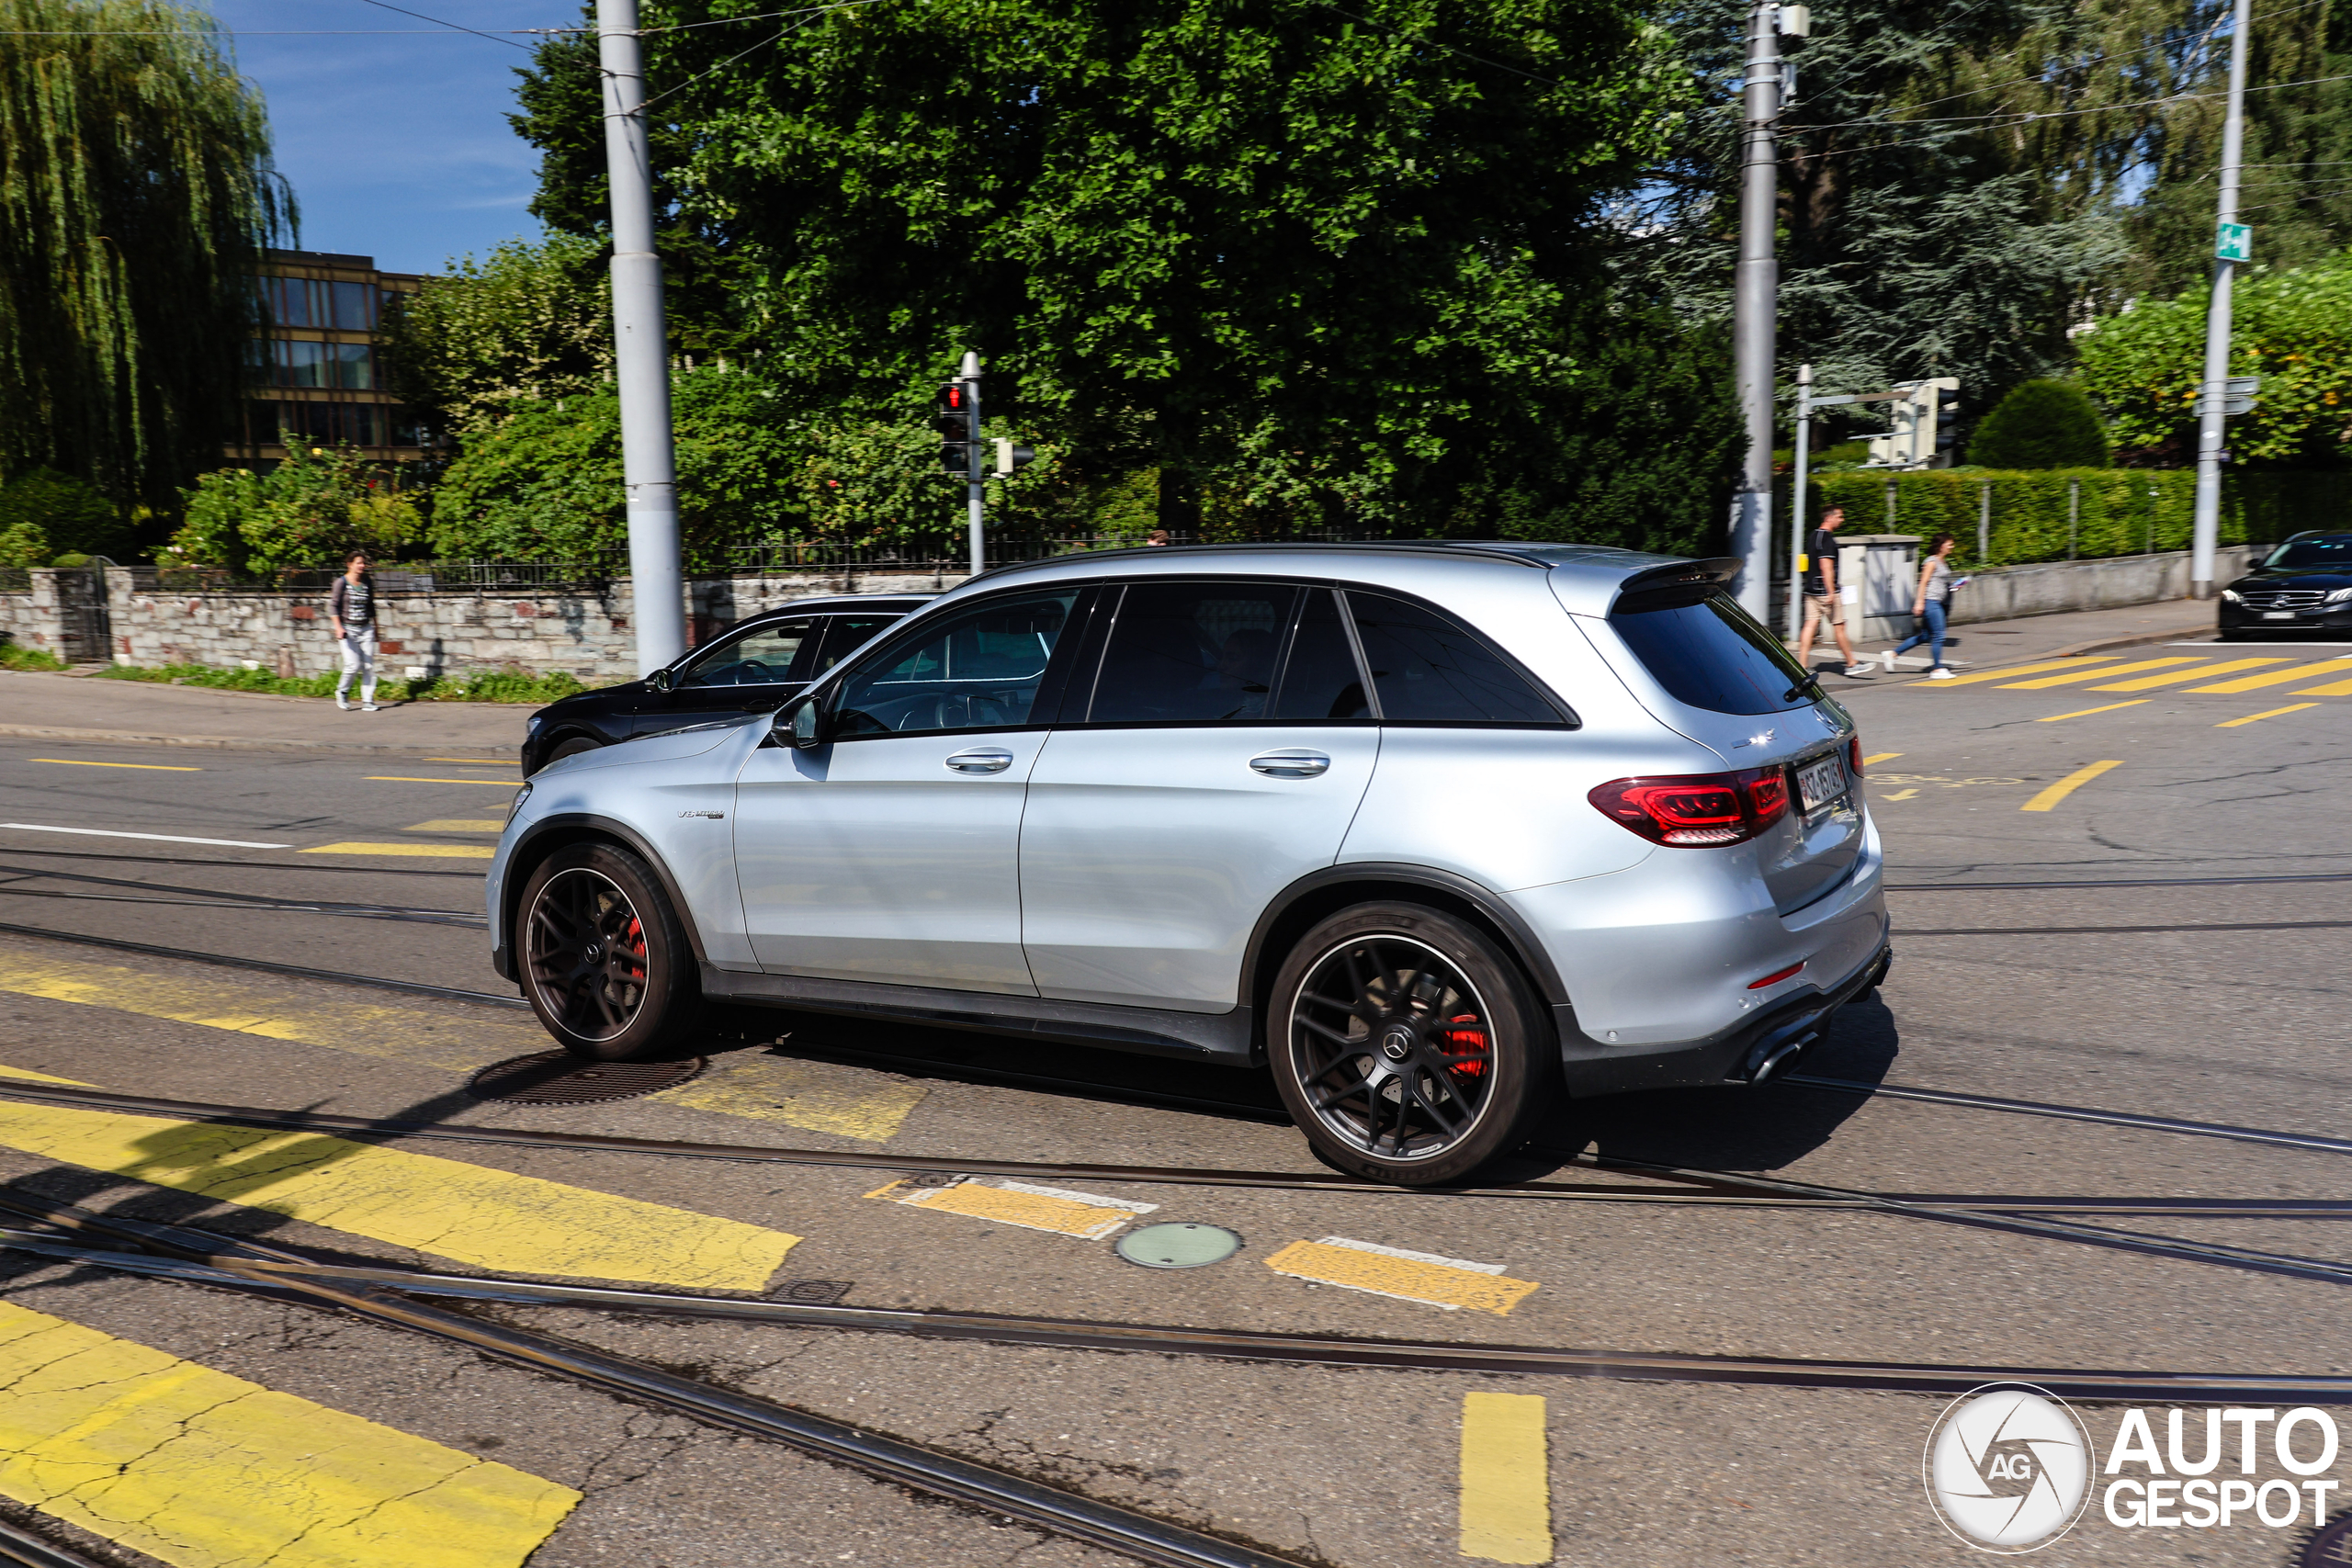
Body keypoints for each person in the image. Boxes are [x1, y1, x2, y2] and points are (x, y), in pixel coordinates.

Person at [1794, 506, 1866, 677]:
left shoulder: (1813, 536)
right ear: (1830, 518)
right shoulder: (1827, 539)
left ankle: (1802, 665)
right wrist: (1831, 592)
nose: (1842, 520)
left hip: (1811, 589)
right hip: (1824, 591)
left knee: (1810, 625)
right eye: (1840, 517)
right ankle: (1851, 663)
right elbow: (1826, 567)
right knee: (1839, 626)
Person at [1885, 533, 1961, 679]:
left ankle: (1893, 654)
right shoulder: (1931, 562)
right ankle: (1937, 669)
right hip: (1930, 602)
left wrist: (1953, 587)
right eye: (1949, 544)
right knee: (1939, 635)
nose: (1952, 547)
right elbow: (1923, 582)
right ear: (1940, 546)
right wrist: (1920, 602)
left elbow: (1938, 583)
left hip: (1939, 601)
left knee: (1926, 636)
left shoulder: (1942, 562)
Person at [328, 550, 379, 711]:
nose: (362, 566)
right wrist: (338, 627)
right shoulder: (341, 582)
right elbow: (333, 606)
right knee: (352, 665)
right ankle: (343, 691)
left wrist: (376, 627)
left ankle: (368, 700)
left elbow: (371, 606)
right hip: (348, 629)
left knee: (369, 666)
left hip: (366, 628)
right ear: (350, 564)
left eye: (363, 563)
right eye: (358, 563)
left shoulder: (367, 582)